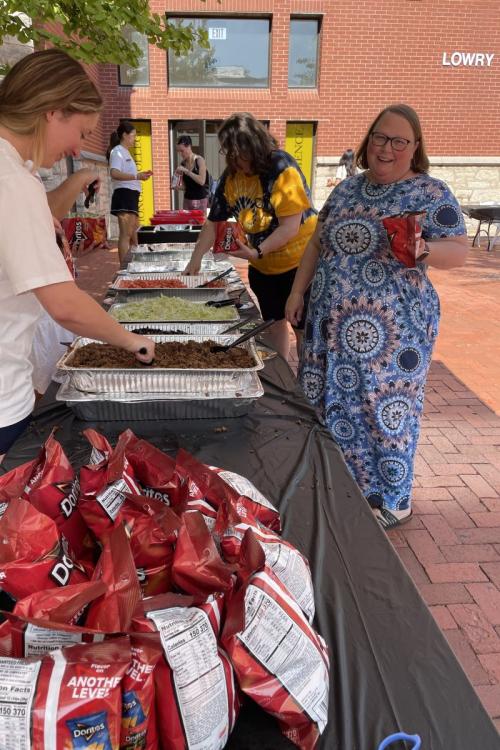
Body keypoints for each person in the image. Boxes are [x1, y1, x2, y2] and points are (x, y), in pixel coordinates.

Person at [286, 104, 468, 529]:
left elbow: (458, 250)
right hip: (327, 326)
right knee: (324, 403)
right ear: (368, 141)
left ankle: (392, 498)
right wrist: (298, 292)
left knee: (383, 409)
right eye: (380, 138)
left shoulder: (430, 192)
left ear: (415, 147)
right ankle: (336, 486)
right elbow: (316, 244)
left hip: (392, 331)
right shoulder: (347, 191)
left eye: (398, 141)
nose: (386, 148)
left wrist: (424, 248)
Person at [0, 49, 155, 460]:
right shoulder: (13, 181)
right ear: (53, 112)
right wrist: (132, 341)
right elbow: (64, 304)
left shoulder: (13, 173)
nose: (76, 149)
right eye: (82, 132)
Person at [184, 112, 317, 359]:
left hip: (298, 266)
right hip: (263, 267)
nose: (234, 159)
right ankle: (282, 378)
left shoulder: (280, 167)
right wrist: (195, 260)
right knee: (273, 324)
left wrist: (256, 252)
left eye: (238, 152)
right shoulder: (231, 176)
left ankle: (303, 389)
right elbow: (213, 223)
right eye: (229, 152)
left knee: (301, 329)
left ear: (255, 146)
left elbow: (290, 227)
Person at [107, 121, 152, 268]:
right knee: (126, 234)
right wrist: (136, 176)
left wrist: (140, 175)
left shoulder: (126, 153)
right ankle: (124, 268)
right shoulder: (117, 151)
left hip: (131, 195)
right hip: (124, 195)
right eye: (133, 136)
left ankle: (137, 262)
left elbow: (130, 174)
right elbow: (114, 173)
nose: (134, 139)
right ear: (125, 135)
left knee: (134, 233)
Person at [174, 135, 210, 213]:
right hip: (187, 201)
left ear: (189, 146)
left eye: (182, 150)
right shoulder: (183, 164)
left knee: (200, 224)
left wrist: (187, 171)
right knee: (187, 224)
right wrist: (176, 185)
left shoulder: (199, 160)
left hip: (200, 201)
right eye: (178, 151)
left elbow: (201, 181)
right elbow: (186, 187)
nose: (180, 154)